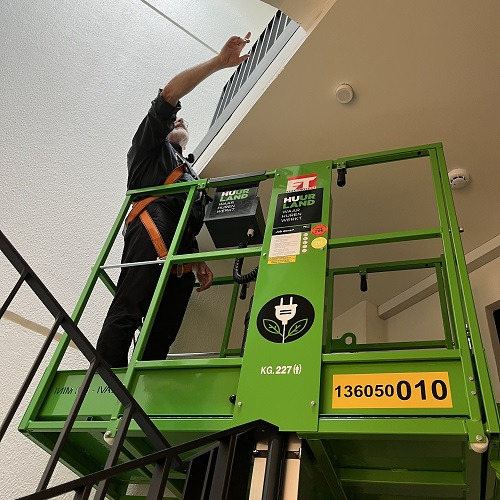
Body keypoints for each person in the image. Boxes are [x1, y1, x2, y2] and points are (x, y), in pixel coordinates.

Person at [96, 33, 251, 367]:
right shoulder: (149, 151)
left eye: (184, 123)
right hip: (151, 224)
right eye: (176, 121)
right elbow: (168, 96)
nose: (180, 121)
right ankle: (105, 378)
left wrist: (195, 259)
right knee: (130, 306)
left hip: (180, 247)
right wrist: (219, 63)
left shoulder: (190, 174)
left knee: (163, 329)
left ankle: (143, 381)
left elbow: (186, 219)